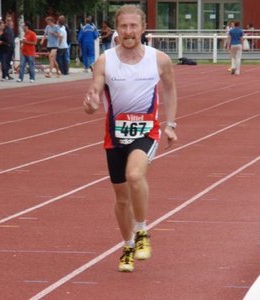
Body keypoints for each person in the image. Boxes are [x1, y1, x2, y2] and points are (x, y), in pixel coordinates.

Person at [83, 5, 177, 272]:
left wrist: (170, 123)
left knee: (135, 175)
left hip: (147, 130)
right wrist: (89, 104)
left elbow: (170, 91)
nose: (128, 31)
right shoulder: (105, 60)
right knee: (121, 197)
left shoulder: (159, 60)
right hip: (115, 134)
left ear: (142, 28)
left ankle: (142, 230)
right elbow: (94, 93)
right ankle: (127, 245)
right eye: (123, 26)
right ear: (117, 28)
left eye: (133, 26)